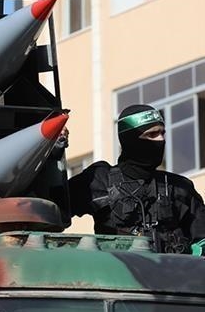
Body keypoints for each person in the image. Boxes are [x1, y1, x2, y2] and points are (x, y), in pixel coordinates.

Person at [68, 104, 205, 254]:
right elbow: (54, 210)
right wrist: (55, 148)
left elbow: (201, 240)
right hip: (118, 268)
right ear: (130, 139)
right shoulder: (100, 179)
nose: (161, 140)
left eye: (162, 133)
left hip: (172, 268)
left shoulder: (179, 187)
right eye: (152, 134)